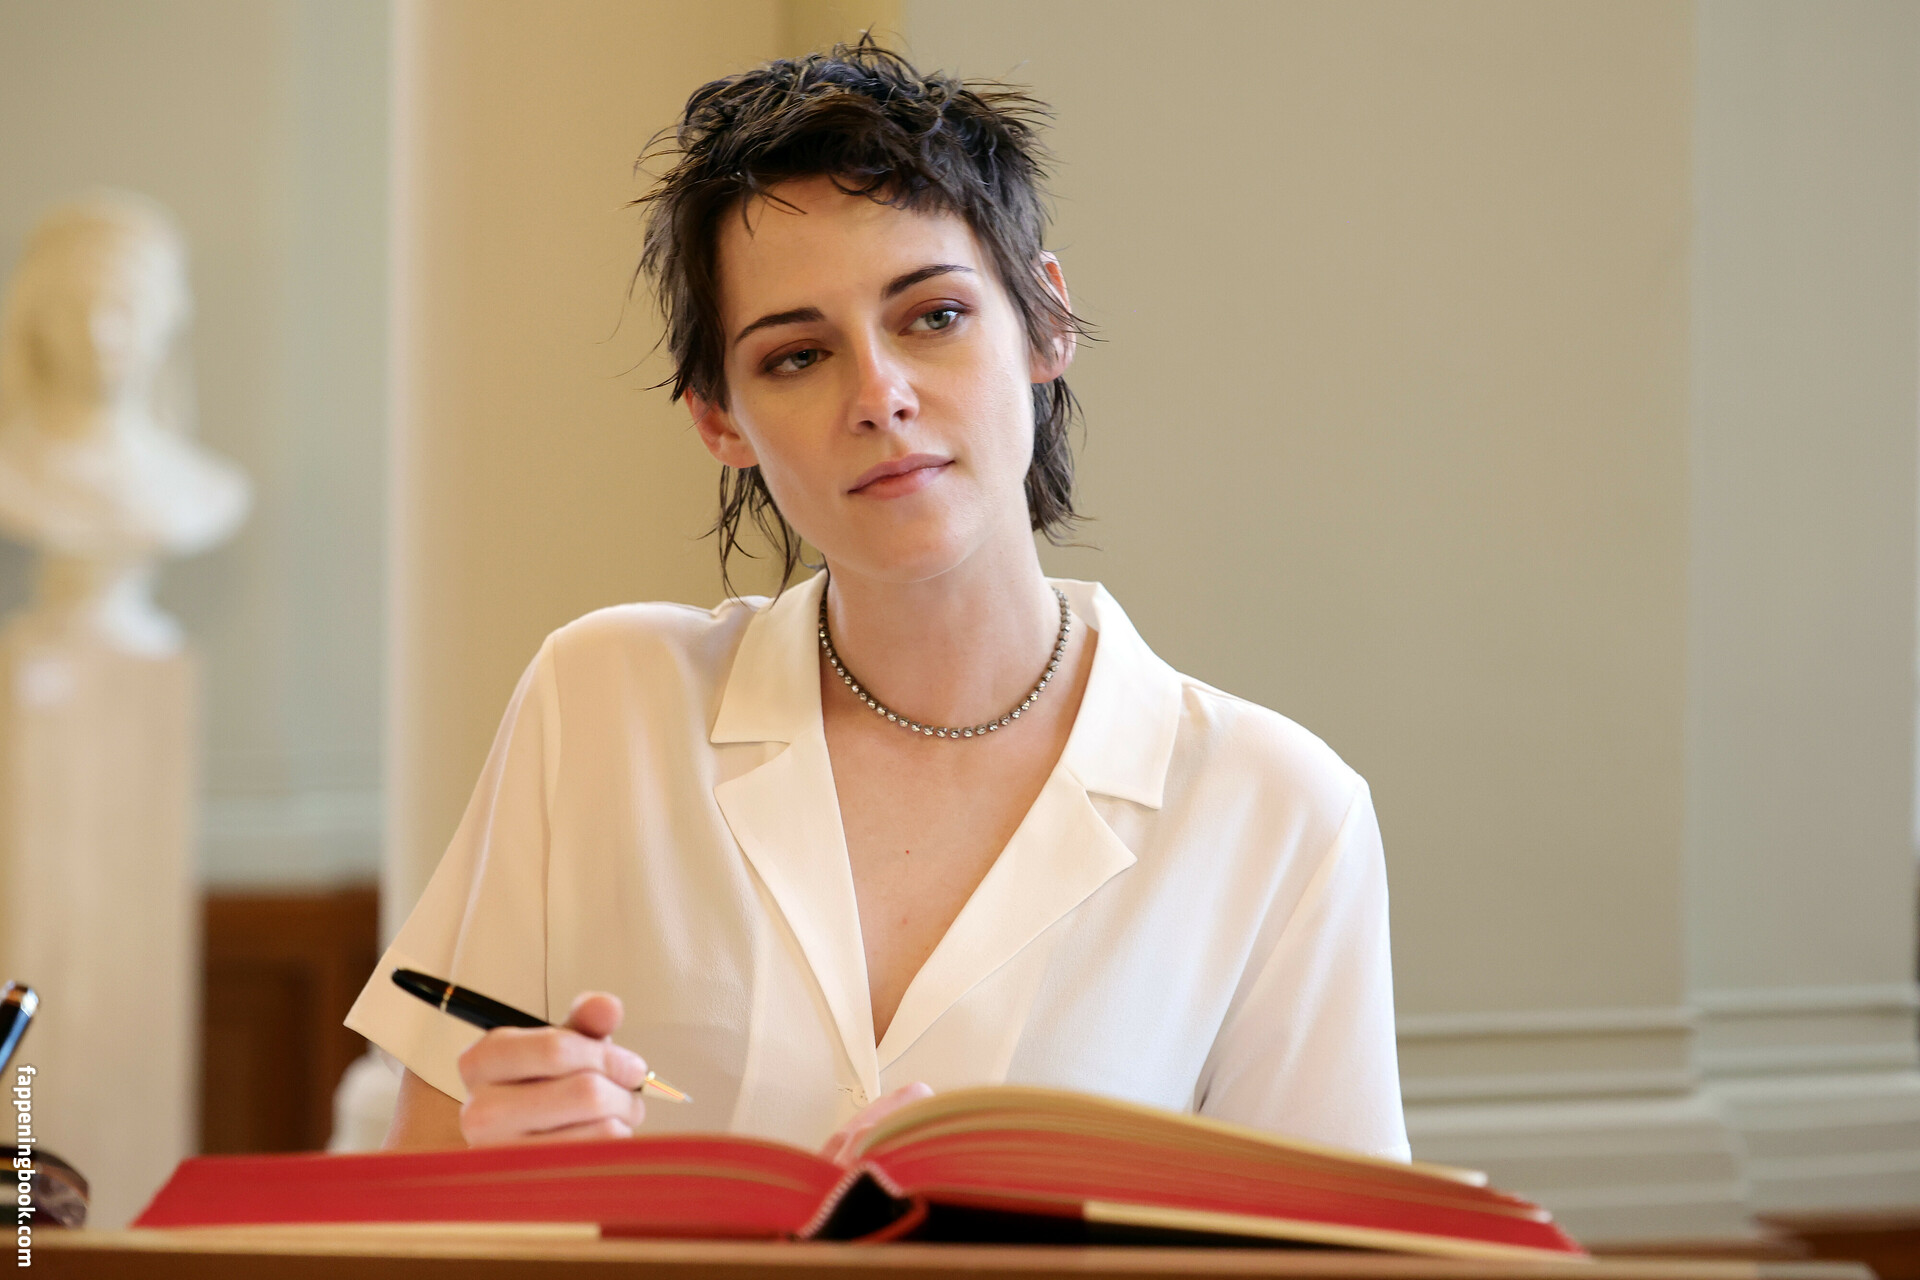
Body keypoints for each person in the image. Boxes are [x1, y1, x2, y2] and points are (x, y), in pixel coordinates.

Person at [347, 40, 1408, 1163]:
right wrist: (497, 1167)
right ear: (718, 417)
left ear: (1045, 319)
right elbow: (417, 1192)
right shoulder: (600, 702)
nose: (879, 395)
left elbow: (1338, 1244)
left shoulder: (1280, 808)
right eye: (797, 356)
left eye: (933, 316)